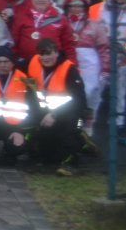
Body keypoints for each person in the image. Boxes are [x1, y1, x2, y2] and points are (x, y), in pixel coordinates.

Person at [24, 38, 87, 176]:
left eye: (49, 53)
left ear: (57, 52)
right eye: (42, 54)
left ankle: (71, 163)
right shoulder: (33, 62)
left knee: (71, 133)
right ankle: (82, 142)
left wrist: (55, 114)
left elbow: (80, 101)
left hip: (68, 114)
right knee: (49, 158)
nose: (45, 58)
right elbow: (11, 65)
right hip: (46, 115)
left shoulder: (69, 69)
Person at [88, 0, 126, 139]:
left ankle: (118, 125)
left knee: (120, 94)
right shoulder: (94, 10)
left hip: (123, 61)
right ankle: (89, 124)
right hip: (99, 61)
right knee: (95, 92)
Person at [64, 0, 109, 136]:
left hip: (90, 66)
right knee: (71, 94)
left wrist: (105, 68)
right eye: (72, 6)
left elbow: (104, 47)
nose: (76, 9)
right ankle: (73, 124)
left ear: (85, 7)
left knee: (91, 95)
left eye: (79, 5)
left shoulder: (94, 25)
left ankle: (88, 125)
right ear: (67, 7)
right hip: (69, 63)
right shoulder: (62, 23)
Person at [11, 0, 77, 65]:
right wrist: (12, 65)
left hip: (54, 65)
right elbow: (13, 44)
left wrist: (72, 66)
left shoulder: (60, 18)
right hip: (27, 64)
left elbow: (69, 46)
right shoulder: (21, 17)